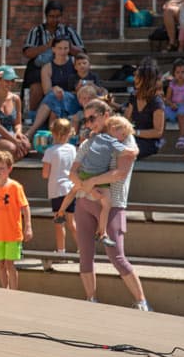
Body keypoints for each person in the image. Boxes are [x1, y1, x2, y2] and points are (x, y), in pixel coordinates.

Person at [69, 99, 151, 311]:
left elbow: (121, 172)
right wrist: (86, 188)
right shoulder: (90, 140)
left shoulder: (124, 134)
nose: (89, 123)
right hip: (84, 202)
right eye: (86, 119)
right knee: (85, 254)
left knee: (116, 255)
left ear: (106, 114)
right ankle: (91, 300)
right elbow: (73, 172)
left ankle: (142, 302)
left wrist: (92, 182)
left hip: (112, 204)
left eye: (92, 118)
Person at [58, 115, 137, 248]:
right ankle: (102, 233)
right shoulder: (113, 142)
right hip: (95, 174)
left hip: (86, 173)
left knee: (73, 191)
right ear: (113, 129)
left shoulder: (97, 138)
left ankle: (60, 212)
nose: (123, 138)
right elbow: (129, 152)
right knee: (106, 204)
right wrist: (135, 150)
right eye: (122, 134)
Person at [0, 150, 33, 290]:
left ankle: (14, 291)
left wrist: (28, 226)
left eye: (2, 168)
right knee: (0, 264)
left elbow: (25, 207)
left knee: (10, 264)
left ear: (9, 169)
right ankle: (5, 289)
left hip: (13, 233)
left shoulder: (15, 187)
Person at [21, 0, 85, 112]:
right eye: (51, 16)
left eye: (57, 17)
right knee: (36, 87)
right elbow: (27, 53)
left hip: (64, 66)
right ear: (46, 16)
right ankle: (32, 115)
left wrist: (67, 45)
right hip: (39, 67)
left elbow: (82, 53)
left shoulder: (68, 31)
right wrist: (47, 46)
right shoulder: (36, 31)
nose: (54, 20)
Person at [24, 37, 78, 139]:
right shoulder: (47, 67)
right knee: (53, 102)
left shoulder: (74, 62)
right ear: (53, 49)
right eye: (60, 48)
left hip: (72, 98)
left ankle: (32, 131)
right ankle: (53, 138)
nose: (63, 51)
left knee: (53, 100)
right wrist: (55, 89)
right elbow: (47, 91)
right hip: (54, 98)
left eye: (66, 48)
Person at [41, 118, 77, 254]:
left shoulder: (50, 151)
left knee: (59, 223)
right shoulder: (73, 149)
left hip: (57, 190)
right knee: (72, 222)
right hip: (71, 189)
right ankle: (84, 250)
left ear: (53, 133)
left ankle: (61, 251)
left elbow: (45, 174)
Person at [124, 57, 165, 160]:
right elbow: (126, 119)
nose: (134, 78)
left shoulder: (156, 102)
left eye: (137, 76)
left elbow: (158, 132)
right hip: (133, 137)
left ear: (145, 80)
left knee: (124, 151)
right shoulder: (133, 96)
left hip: (149, 142)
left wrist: (135, 132)